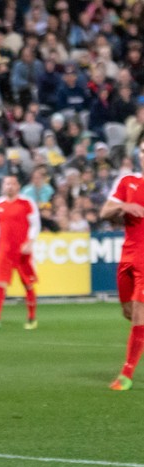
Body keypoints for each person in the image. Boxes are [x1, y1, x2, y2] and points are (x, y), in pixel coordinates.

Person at [99, 141, 144, 391]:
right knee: (128, 312)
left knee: (139, 312)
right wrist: (124, 206)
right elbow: (105, 211)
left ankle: (126, 374)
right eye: (143, 151)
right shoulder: (128, 182)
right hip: (128, 256)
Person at [0, 175, 41, 330]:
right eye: (7, 183)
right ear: (3, 186)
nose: (9, 186)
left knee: (28, 284)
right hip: (4, 251)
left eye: (12, 183)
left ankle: (31, 318)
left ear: (18, 186)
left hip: (23, 252)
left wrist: (30, 242)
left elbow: (35, 224)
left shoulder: (27, 203)